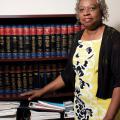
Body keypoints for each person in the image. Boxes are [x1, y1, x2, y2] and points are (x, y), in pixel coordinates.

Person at [21, 0, 120, 119]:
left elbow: (119, 83)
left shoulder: (114, 38)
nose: (86, 13)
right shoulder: (78, 37)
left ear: (102, 11)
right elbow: (68, 74)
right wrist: (42, 91)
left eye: (92, 8)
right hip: (81, 108)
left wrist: (108, 118)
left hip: (105, 110)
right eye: (81, 9)